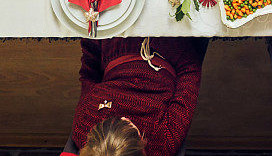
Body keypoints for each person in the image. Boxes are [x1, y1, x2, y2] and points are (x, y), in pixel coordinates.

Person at [64, 37, 208, 156]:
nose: (124, 117)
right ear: (143, 148)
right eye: (131, 127)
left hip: (114, 45)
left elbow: (89, 72)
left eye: (111, 120)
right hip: (169, 51)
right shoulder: (164, 141)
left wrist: (94, 34)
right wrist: (160, 39)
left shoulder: (84, 128)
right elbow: (190, 72)